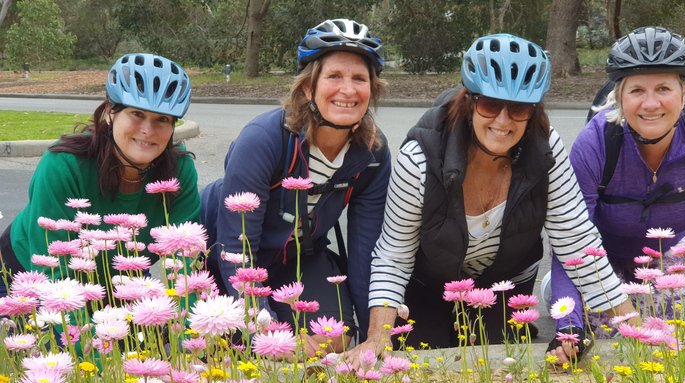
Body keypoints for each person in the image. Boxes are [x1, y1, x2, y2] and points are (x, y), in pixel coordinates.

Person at [347, 33, 632, 367]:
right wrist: (376, 337)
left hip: (503, 280)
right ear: (469, 101)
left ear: (534, 109)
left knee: (499, 366)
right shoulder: (420, 157)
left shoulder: (546, 148)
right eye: (490, 104)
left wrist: (635, 328)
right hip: (430, 279)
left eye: (519, 108)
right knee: (420, 358)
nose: (502, 120)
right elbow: (393, 256)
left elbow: (577, 243)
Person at [549, 27, 685, 362]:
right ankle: (555, 294)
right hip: (600, 257)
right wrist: (568, 327)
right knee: (610, 347)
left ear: (684, 91)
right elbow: (570, 245)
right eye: (637, 90)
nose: (650, 103)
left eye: (663, 88)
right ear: (619, 96)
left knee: (658, 346)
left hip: (666, 254)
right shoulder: (595, 142)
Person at [200, 19, 391, 358]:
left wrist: (370, 342)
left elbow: (366, 253)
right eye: (334, 76)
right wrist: (271, 332)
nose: (348, 90)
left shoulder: (372, 154)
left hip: (299, 257)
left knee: (334, 340)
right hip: (225, 259)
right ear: (307, 88)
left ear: (371, 91)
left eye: (359, 79)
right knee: (249, 350)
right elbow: (236, 249)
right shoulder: (263, 139)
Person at [0, 53, 199, 291]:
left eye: (163, 119)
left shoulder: (181, 172)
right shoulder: (63, 165)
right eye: (137, 114)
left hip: (118, 275)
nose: (148, 130)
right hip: (31, 275)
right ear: (110, 112)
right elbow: (56, 280)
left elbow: (186, 272)